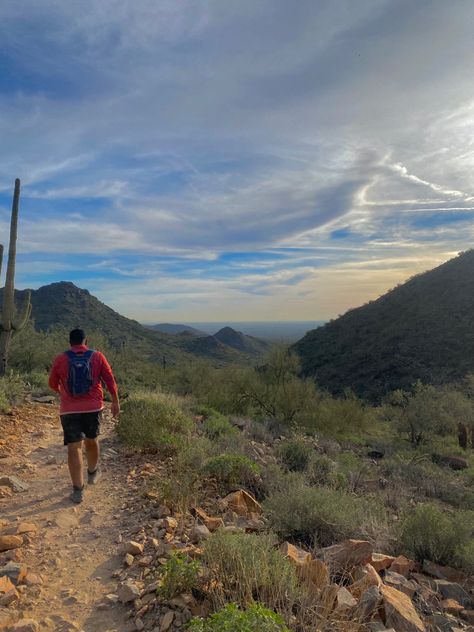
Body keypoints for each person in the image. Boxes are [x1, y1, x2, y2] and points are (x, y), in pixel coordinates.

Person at [49, 328, 120, 503]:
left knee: (74, 447)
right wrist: (115, 402)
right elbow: (110, 380)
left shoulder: (61, 358)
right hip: (93, 407)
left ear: (70, 342)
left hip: (69, 409)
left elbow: (52, 383)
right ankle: (92, 472)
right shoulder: (97, 356)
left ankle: (78, 490)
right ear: (85, 341)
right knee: (92, 439)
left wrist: (63, 392)